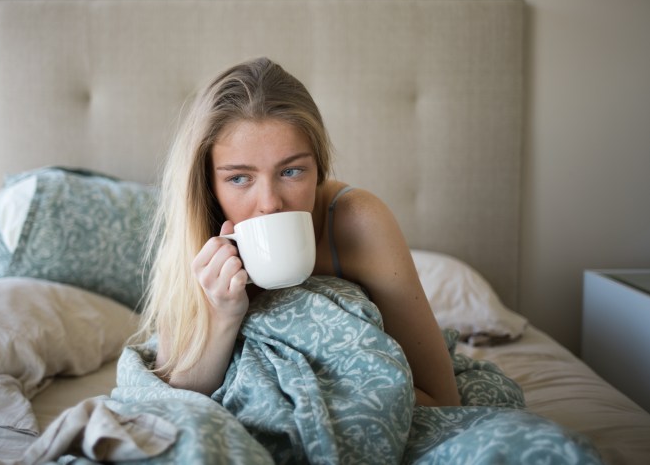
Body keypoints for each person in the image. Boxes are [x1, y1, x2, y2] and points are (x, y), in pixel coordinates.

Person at [137, 57, 461, 407]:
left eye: (291, 172)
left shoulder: (358, 222)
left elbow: (443, 399)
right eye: (239, 178)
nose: (270, 203)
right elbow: (176, 403)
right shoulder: (195, 235)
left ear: (319, 168)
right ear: (207, 184)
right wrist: (222, 316)